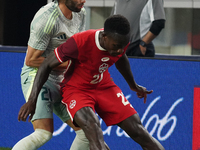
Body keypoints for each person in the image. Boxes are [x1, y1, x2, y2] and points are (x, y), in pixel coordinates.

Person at [18, 14, 165, 150]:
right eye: (116, 46)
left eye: (123, 46)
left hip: (104, 86)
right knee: (93, 129)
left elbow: (121, 58)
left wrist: (133, 85)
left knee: (138, 130)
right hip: (76, 90)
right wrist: (32, 100)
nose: (120, 50)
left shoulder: (120, 41)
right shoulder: (79, 42)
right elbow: (46, 64)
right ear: (104, 37)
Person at [12, 0, 91, 150]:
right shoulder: (47, 18)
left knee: (88, 133)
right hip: (39, 77)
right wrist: (71, 65)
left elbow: (76, 47)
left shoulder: (81, 13)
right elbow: (31, 60)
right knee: (43, 133)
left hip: (62, 80)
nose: (83, 0)